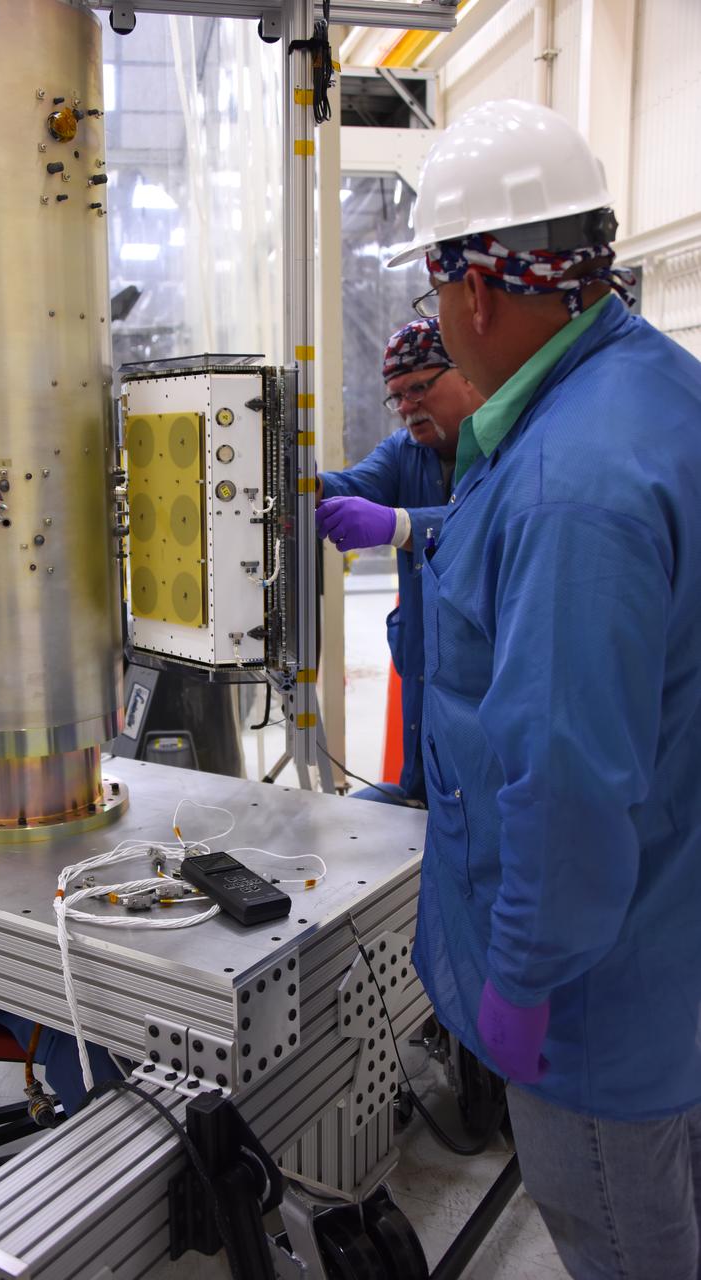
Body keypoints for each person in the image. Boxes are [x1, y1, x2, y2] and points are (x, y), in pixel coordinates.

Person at [388, 98, 701, 1280]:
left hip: (591, 1004)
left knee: (624, 1241)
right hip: (668, 937)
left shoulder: (572, 486)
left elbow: (564, 791)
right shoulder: (655, 391)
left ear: (472, 292)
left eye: (430, 300)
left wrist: (520, 983)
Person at [315, 317, 482, 804]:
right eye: (396, 397)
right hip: (423, 663)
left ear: (465, 374)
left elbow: (492, 523)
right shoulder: (406, 450)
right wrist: (304, 484)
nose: (406, 408)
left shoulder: (510, 446)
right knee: (417, 800)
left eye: (418, 389)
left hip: (481, 681)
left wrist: (402, 525)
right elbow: (356, 483)